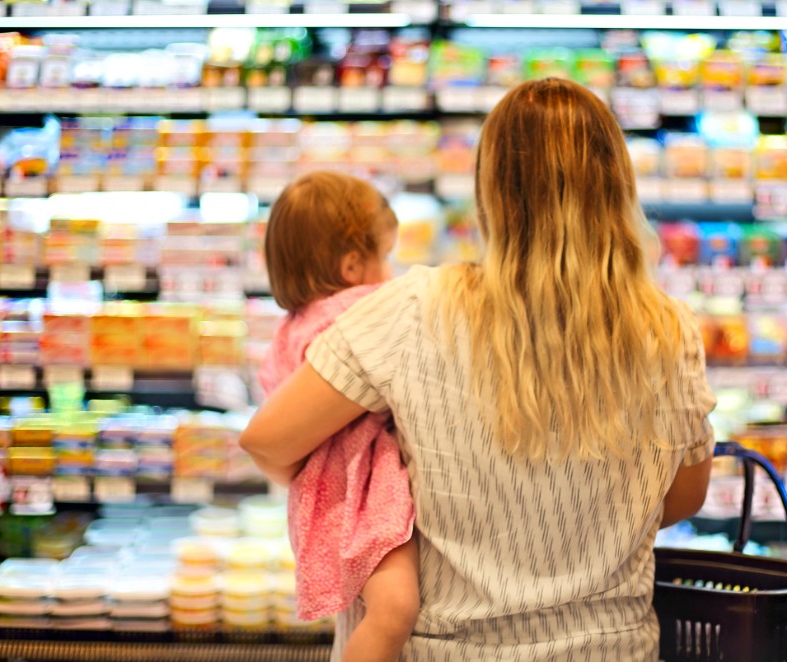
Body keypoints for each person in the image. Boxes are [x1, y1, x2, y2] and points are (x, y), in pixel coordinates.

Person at [241, 77, 716, 661]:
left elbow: (267, 441)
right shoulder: (667, 330)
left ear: (491, 190)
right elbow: (684, 497)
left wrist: (378, 494)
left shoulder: (411, 310)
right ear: (618, 187)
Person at [255, 171, 418, 662]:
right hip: (363, 494)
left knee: (371, 613)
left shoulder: (293, 325)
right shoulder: (358, 312)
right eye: (384, 257)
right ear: (352, 266)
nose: (391, 273)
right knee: (395, 610)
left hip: (327, 495)